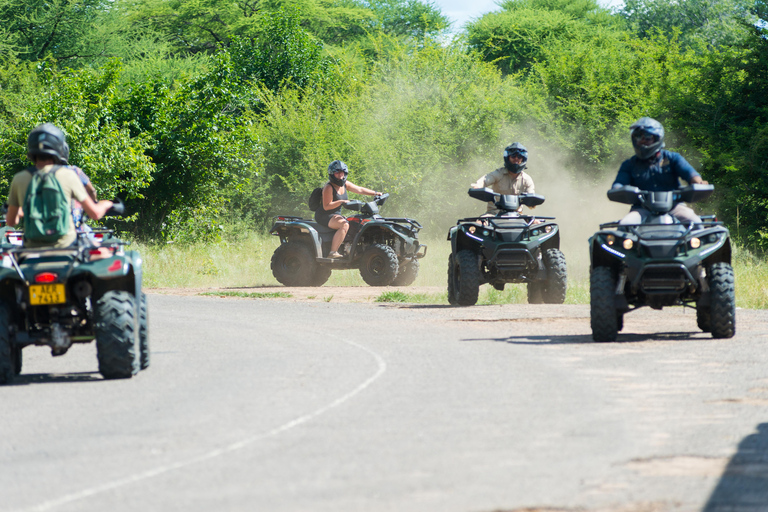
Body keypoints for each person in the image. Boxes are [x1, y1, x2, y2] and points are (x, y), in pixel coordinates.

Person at [5, 123, 115, 248]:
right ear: (59, 148)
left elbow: (11, 222)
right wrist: (107, 204)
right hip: (67, 247)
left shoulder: (19, 178)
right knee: (110, 253)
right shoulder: (69, 174)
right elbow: (95, 214)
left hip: (31, 249)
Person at [613, 117, 708, 225]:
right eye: (638, 137)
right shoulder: (629, 164)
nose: (642, 141)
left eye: (647, 137)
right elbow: (619, 184)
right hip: (642, 209)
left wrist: (699, 183)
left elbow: (690, 174)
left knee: (695, 222)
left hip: (674, 206)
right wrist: (618, 190)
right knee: (625, 224)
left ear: (657, 138)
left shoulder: (672, 158)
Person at [314, 160, 381, 258]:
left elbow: (359, 189)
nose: (340, 175)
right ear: (332, 174)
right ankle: (333, 252)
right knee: (344, 225)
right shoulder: (328, 187)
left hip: (336, 214)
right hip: (325, 215)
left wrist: (375, 193)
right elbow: (327, 206)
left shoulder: (344, 184)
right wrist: (341, 202)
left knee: (355, 222)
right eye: (337, 173)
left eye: (342, 172)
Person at [472, 142, 535, 215]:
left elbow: (531, 195)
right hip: (493, 214)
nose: (516, 159)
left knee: (539, 224)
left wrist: (532, 201)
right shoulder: (498, 174)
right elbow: (486, 179)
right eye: (513, 156)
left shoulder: (527, 179)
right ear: (508, 158)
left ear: (523, 159)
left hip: (517, 215)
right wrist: (477, 186)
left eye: (519, 157)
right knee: (479, 224)